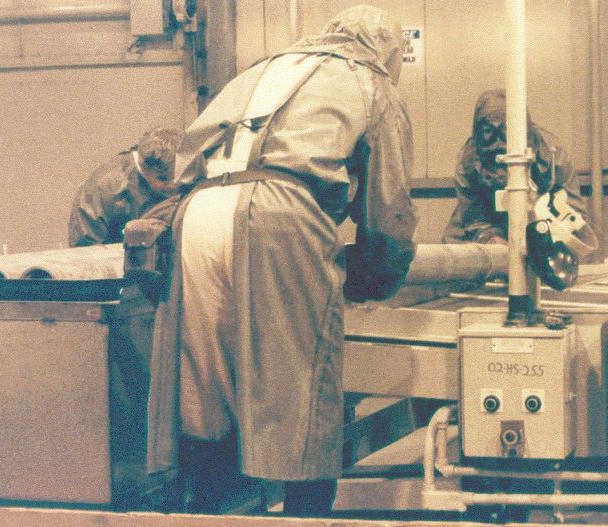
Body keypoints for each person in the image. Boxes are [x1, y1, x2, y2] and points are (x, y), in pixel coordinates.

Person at [144, 5, 417, 517]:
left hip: (197, 213)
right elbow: (388, 211)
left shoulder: (261, 69)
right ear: (389, 52)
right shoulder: (372, 83)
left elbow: (190, 153)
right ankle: (304, 515)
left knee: (206, 392)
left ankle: (206, 511)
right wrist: (374, 278)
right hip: (279, 215)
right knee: (304, 392)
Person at [441, 89, 585, 244]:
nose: (498, 142)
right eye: (488, 131)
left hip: (543, 223)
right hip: (484, 222)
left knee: (571, 243)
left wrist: (547, 237)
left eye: (505, 130)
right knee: (454, 246)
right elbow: (473, 217)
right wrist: (490, 237)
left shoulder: (552, 153)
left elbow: (573, 211)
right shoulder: (469, 160)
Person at [68, 127, 183, 247]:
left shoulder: (183, 177)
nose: (174, 185)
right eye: (163, 179)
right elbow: (84, 249)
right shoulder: (105, 188)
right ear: (143, 167)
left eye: (179, 176)